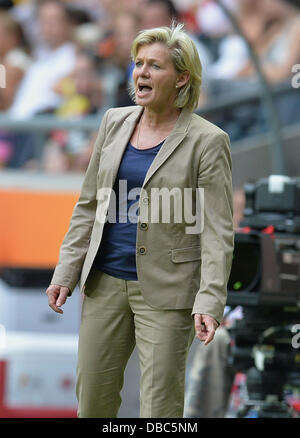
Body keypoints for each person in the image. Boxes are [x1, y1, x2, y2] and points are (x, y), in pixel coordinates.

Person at [46, 23, 234, 418]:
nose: (142, 73)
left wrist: (210, 298)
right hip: (104, 283)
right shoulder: (114, 121)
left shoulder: (208, 140)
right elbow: (88, 205)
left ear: (182, 77)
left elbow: (218, 229)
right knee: (93, 404)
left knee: (161, 410)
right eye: (138, 63)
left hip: (168, 292)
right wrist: (67, 270)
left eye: (155, 66)